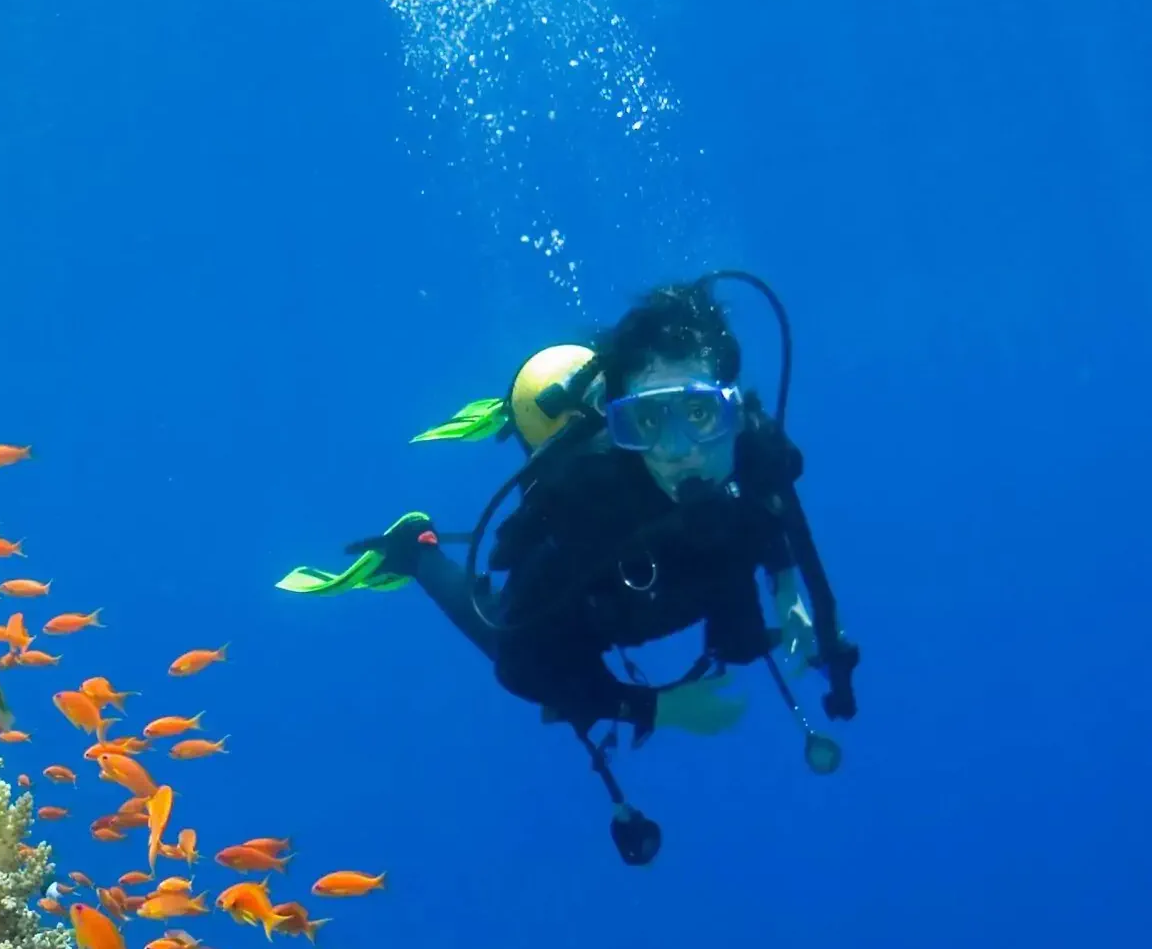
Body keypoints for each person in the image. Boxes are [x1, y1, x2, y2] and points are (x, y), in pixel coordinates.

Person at [282, 275, 859, 861]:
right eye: (649, 422)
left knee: (739, 640)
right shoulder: (590, 505)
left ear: (733, 406)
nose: (681, 449)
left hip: (690, 581)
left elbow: (774, 516)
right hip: (602, 607)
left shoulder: (757, 451)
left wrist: (788, 592)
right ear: (619, 423)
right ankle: (414, 549)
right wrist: (655, 707)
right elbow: (519, 669)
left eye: (699, 413)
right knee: (502, 629)